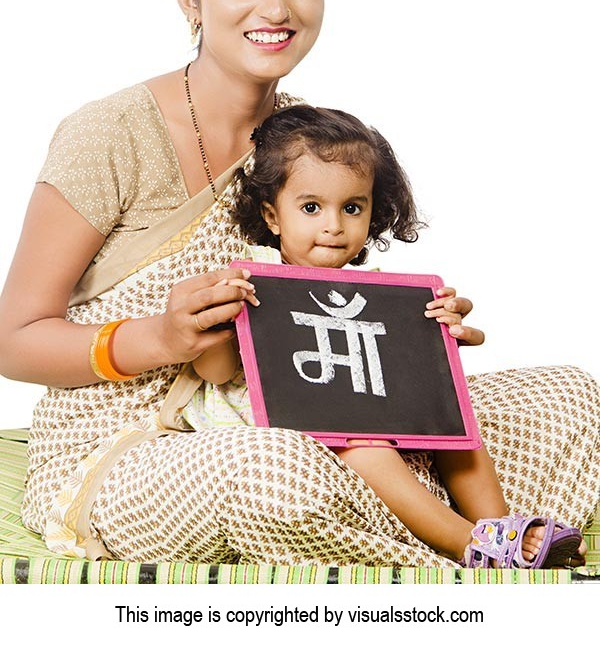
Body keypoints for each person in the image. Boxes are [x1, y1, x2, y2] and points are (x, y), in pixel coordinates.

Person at [0, 0, 596, 566]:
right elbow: (14, 340)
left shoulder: (308, 138)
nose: (275, 6)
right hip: (139, 447)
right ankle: (463, 543)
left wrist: (414, 341)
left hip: (313, 415)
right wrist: (158, 338)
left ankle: (457, 531)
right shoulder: (110, 133)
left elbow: (321, 297)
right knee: (278, 475)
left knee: (568, 398)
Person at [181, 104, 584, 568]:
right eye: (311, 208)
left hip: (366, 405)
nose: (333, 225)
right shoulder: (253, 277)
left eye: (352, 208)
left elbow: (401, 372)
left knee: (450, 422)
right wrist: (219, 322)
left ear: (372, 213)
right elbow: (213, 371)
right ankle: (469, 543)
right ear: (273, 217)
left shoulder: (373, 289)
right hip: (288, 421)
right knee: (365, 448)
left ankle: (502, 528)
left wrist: (434, 334)